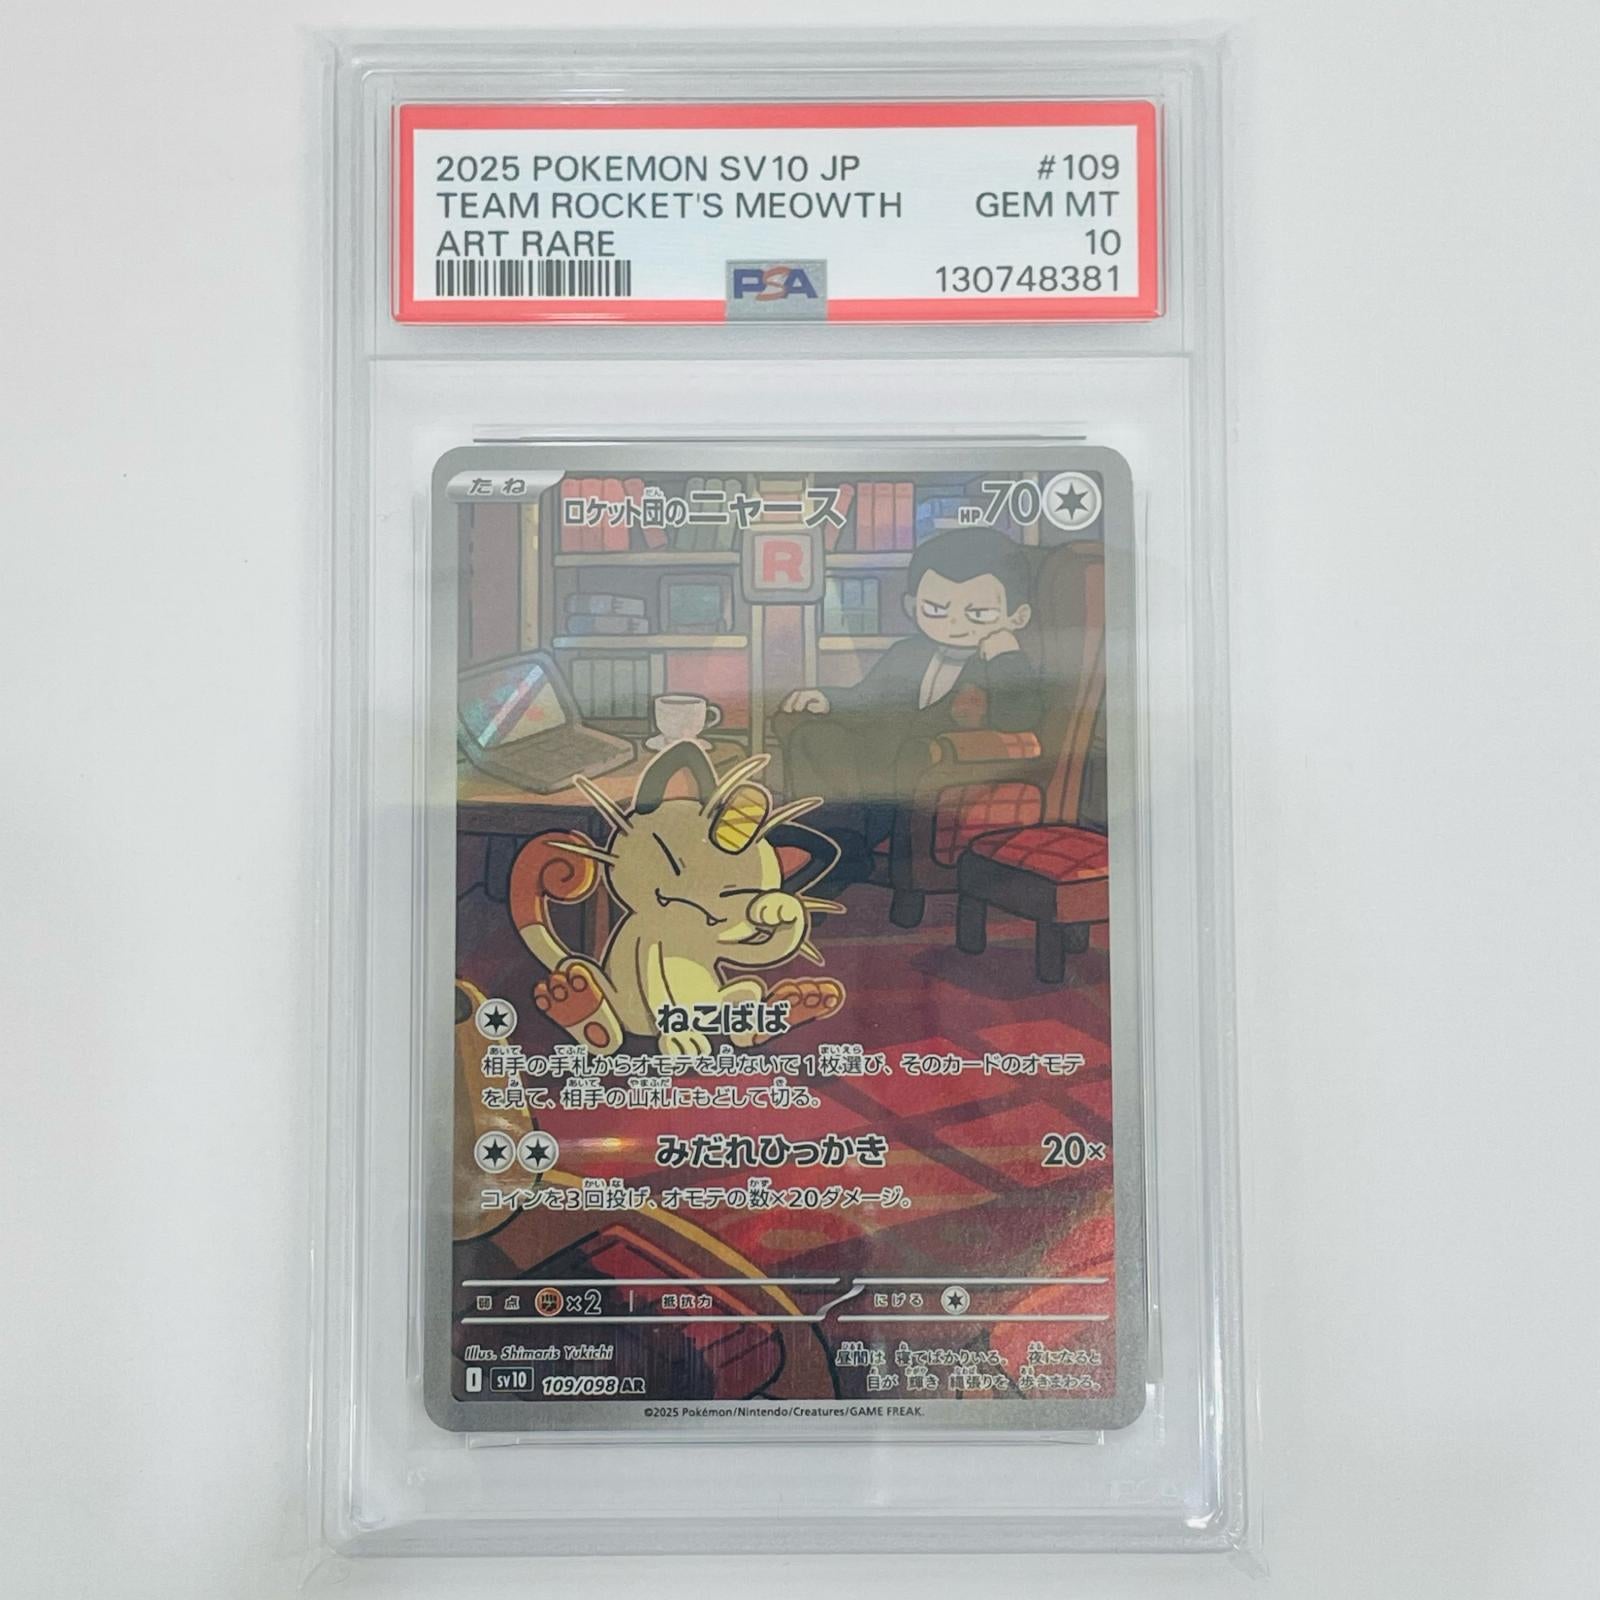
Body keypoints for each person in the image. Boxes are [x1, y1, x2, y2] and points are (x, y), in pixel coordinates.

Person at [776, 528, 1040, 893]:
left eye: (978, 613)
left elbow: (1020, 719)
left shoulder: (1004, 665)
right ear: (911, 607)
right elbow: (868, 698)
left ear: (1017, 617)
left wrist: (1004, 653)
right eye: (936, 610)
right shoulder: (906, 653)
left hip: (931, 777)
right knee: (813, 735)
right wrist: (828, 699)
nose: (953, 623)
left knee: (878, 787)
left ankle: (836, 852)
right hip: (874, 763)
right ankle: (837, 847)